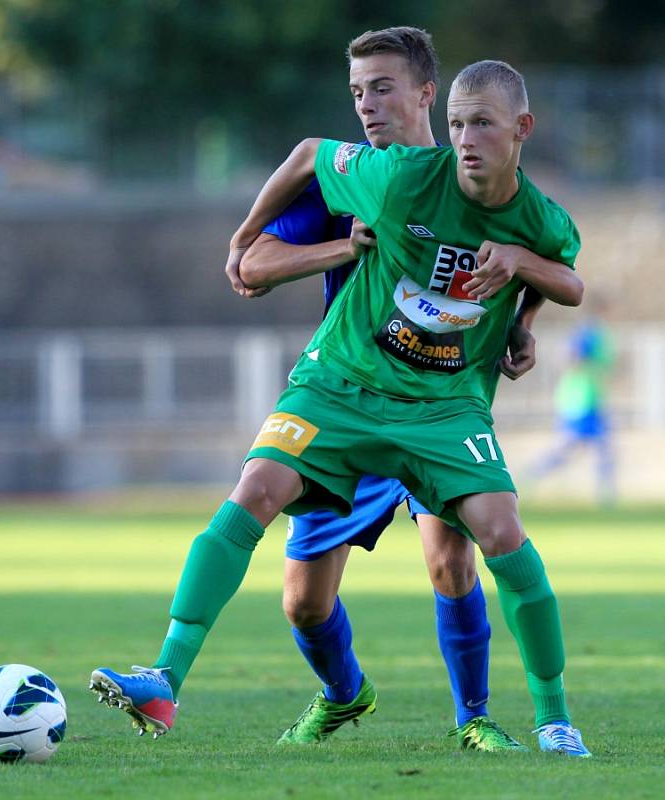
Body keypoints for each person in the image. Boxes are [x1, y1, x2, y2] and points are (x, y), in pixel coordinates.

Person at [91, 57, 591, 757]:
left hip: (442, 406)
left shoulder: (538, 215)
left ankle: (551, 720)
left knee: (496, 535)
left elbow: (565, 273)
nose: (467, 138)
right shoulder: (396, 180)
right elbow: (308, 157)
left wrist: (522, 301)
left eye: (482, 124)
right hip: (341, 387)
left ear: (522, 130)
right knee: (258, 501)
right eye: (458, 124)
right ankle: (163, 677)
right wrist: (243, 241)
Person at [224, 27, 581, 752]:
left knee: (454, 561)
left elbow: (554, 259)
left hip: (439, 405)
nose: (365, 106)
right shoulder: (350, 181)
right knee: (302, 603)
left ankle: (476, 717)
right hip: (350, 403)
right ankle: (343, 694)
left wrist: (522, 320)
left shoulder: (480, 184)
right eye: (356, 92)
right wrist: (344, 246)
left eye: (381, 88)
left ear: (425, 93)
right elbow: (249, 268)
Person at [526, 294, 615, 503]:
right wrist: (582, 365)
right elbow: (570, 357)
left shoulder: (597, 331)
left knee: (605, 448)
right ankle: (531, 475)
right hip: (579, 400)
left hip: (592, 400)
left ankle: (607, 497)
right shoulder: (587, 332)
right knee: (567, 448)